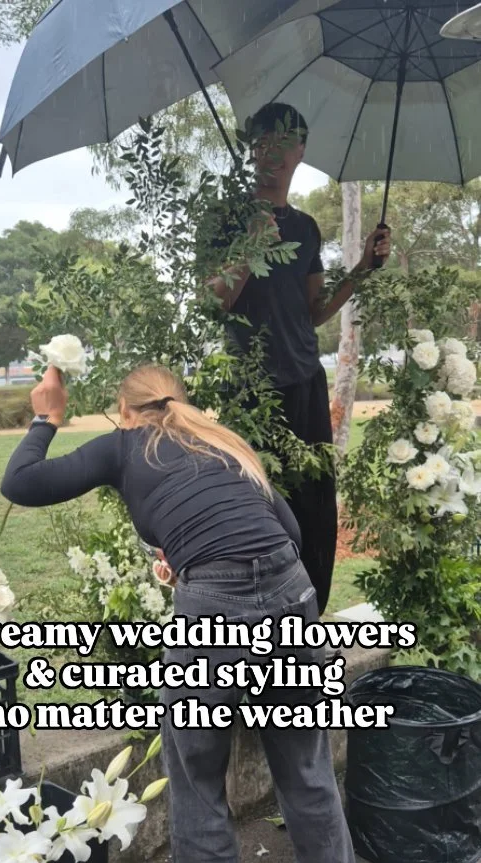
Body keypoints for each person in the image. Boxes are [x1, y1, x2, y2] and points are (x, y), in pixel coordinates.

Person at [0, 363, 360, 863]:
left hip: (215, 609)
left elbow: (21, 482)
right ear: (180, 401)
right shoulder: (224, 442)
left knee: (196, 778)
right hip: (292, 592)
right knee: (306, 765)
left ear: (126, 409)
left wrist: (47, 416)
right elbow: (288, 531)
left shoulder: (123, 445)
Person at [205, 102, 391, 617]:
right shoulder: (225, 219)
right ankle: (251, 619)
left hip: (306, 383)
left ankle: (307, 615)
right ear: (251, 150)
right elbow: (214, 301)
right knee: (256, 509)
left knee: (313, 508)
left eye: (283, 141)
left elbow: (314, 311)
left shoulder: (307, 228)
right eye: (262, 141)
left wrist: (362, 267)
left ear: (300, 150)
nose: (271, 152)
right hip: (251, 391)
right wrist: (250, 246)